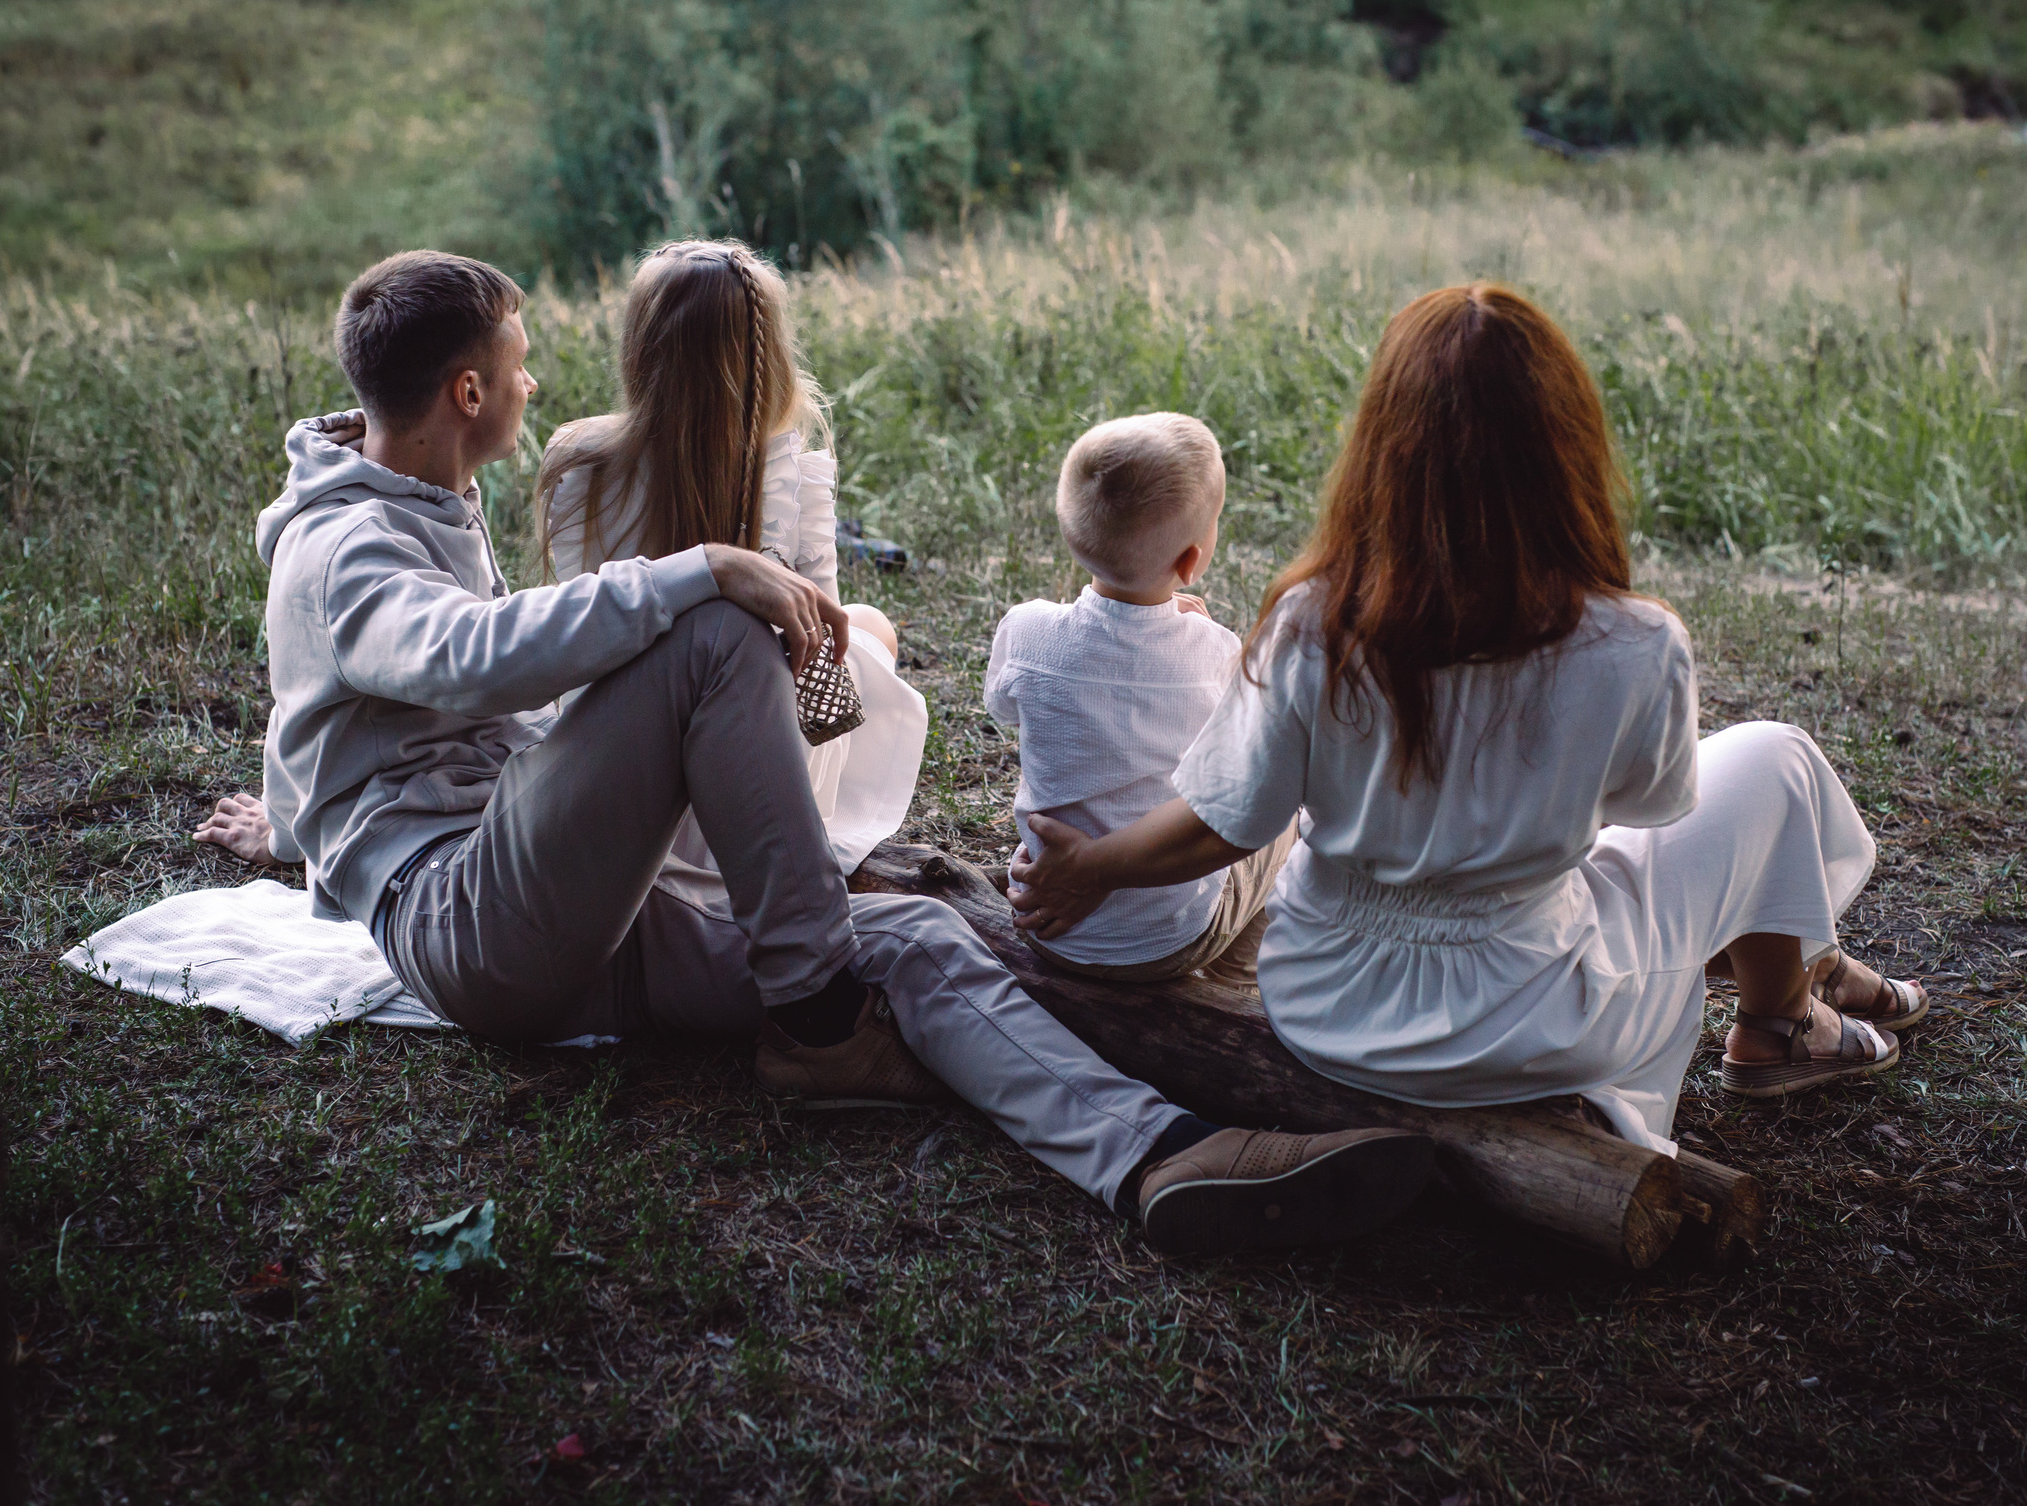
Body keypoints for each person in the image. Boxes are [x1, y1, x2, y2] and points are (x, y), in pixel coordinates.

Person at [203, 247, 1433, 1256]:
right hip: (473, 925)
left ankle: (1157, 1156)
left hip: (579, 918)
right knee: (718, 629)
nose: (533, 389)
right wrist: (706, 565)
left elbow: (348, 717)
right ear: (468, 392)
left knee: (907, 935)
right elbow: (451, 658)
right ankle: (818, 1014)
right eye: (518, 371)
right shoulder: (343, 546)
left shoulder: (425, 500)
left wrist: (302, 820)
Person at [1010, 282, 1930, 1156]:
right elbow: (1649, 808)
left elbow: (1223, 824)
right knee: (1773, 759)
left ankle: (1807, 979)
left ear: (1381, 447)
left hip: (1325, 1004)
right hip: (1525, 1016)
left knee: (1685, 817)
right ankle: (1783, 1019)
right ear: (1566, 449)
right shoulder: (1637, 641)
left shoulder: (1313, 617)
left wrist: (1089, 867)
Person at [536, 240, 924, 895]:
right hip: (757, 782)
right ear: (771, 357)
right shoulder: (791, 465)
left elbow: (579, 627)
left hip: (615, 765)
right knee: (869, 625)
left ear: (641, 350)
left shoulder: (579, 461)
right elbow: (821, 637)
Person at [985, 413, 1293, 988]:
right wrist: (1206, 639)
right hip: (1168, 937)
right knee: (1285, 826)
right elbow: (1237, 761)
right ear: (1191, 561)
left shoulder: (1027, 632)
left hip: (1047, 925)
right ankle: (1233, 981)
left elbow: (1002, 707)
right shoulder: (1217, 654)